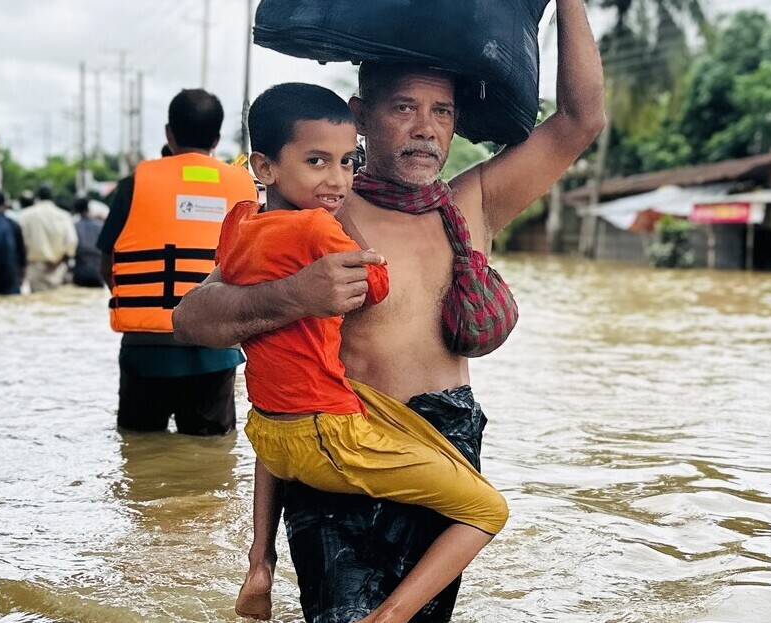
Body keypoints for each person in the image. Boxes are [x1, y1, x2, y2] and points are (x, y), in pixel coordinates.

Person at [171, 1, 603, 619]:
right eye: (404, 108)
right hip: (345, 453)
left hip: (448, 445)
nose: (426, 128)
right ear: (361, 116)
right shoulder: (314, 214)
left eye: (442, 111)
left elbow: (580, 119)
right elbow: (193, 318)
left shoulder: (475, 202)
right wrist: (296, 295)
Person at [229, 83, 508, 622]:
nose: (336, 181)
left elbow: (220, 313)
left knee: (282, 405)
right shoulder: (320, 228)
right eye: (317, 162)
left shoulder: (243, 224)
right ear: (265, 166)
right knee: (485, 508)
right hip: (338, 434)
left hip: (273, 433)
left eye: (344, 163)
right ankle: (392, 616)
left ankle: (259, 562)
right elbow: (375, 284)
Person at [95, 89, 258, 435]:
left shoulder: (133, 184)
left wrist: (130, 296)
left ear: (169, 133)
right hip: (215, 348)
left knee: (139, 457)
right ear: (216, 138)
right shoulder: (243, 185)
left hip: (145, 350)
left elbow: (107, 259)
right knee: (210, 461)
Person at [15, 184, 78, 293]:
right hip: (58, 267)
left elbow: (21, 242)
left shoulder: (26, 215)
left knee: (37, 302)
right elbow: (72, 241)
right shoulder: (64, 215)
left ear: (37, 197)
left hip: (35, 266)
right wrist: (59, 261)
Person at [71, 188, 107, 289]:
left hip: (80, 270)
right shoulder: (100, 226)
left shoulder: (74, 225)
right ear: (88, 208)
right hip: (99, 271)